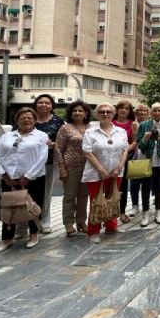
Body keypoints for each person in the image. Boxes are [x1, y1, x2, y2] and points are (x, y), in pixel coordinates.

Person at [0, 107, 48, 253]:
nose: (26, 119)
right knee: (8, 207)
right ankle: (7, 238)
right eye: (22, 117)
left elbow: (42, 158)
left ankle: (33, 235)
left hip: (33, 178)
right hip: (9, 178)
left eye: (30, 117)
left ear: (35, 120)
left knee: (33, 207)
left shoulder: (41, 136)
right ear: (17, 120)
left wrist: (28, 176)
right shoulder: (7, 137)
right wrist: (3, 174)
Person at [82, 103, 129, 243]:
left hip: (116, 172)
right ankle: (94, 232)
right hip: (95, 173)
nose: (105, 114)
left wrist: (119, 167)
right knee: (96, 203)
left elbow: (125, 150)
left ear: (113, 114)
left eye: (108, 111)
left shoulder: (121, 131)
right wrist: (101, 170)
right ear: (97, 114)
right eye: (102, 111)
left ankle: (111, 226)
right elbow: (87, 152)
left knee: (113, 199)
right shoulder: (90, 132)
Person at [55, 100, 91, 236]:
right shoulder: (65, 128)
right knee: (69, 196)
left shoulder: (90, 128)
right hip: (70, 168)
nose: (77, 113)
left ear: (85, 113)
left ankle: (81, 221)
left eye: (80, 111)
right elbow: (58, 149)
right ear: (70, 113)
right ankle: (68, 223)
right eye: (74, 111)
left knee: (83, 195)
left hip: (88, 167)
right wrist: (61, 168)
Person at [136, 103, 160, 227]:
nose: (157, 113)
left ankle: (158, 211)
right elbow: (139, 145)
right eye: (155, 111)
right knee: (146, 188)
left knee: (159, 187)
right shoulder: (143, 125)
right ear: (151, 113)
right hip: (146, 161)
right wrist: (145, 139)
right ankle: (146, 212)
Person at [32, 93, 65, 234]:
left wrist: (53, 144)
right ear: (35, 105)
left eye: (47, 103)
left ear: (52, 106)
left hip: (48, 161)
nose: (44, 105)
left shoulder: (58, 121)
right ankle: (27, 222)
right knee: (28, 193)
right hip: (28, 162)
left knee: (45, 193)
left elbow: (63, 142)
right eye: (40, 102)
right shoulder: (28, 118)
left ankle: (44, 221)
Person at [112, 100, 138, 224]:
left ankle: (121, 212)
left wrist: (126, 150)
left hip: (125, 158)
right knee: (109, 186)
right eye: (121, 107)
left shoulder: (132, 124)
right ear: (117, 109)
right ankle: (108, 212)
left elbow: (134, 141)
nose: (123, 110)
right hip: (109, 158)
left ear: (129, 111)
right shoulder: (110, 123)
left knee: (122, 186)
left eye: (126, 108)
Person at [129, 104, 149, 216]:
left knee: (146, 183)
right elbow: (135, 140)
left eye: (144, 111)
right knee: (135, 182)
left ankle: (146, 206)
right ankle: (135, 206)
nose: (142, 112)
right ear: (136, 112)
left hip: (149, 155)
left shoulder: (151, 123)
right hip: (137, 156)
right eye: (140, 110)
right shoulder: (134, 123)